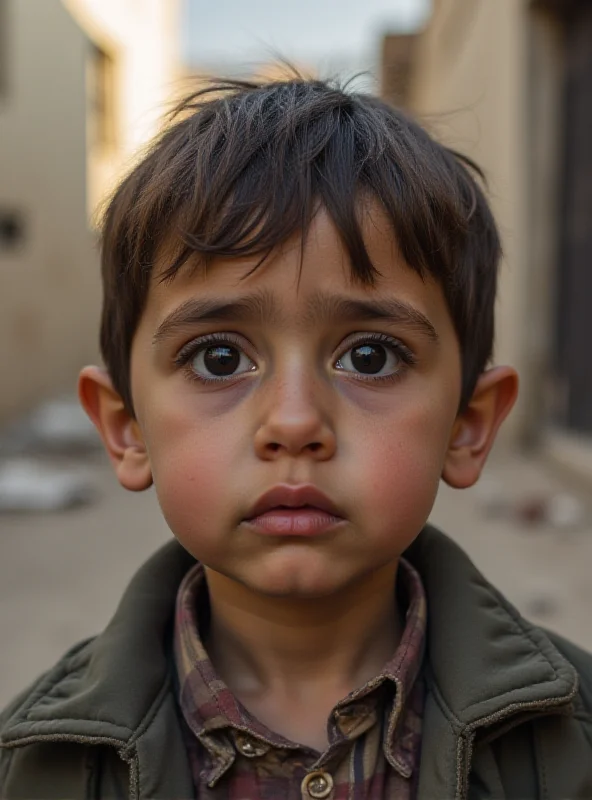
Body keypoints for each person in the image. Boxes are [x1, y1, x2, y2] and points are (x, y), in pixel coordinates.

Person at [1, 76, 591, 800]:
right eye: (219, 358)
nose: (293, 424)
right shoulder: (37, 767)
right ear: (126, 429)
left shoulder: (572, 744)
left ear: (469, 424)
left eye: (370, 357)